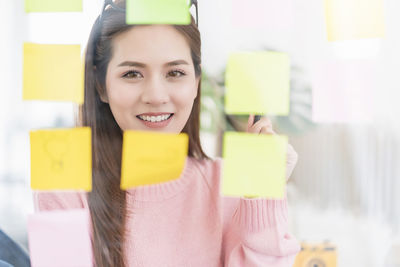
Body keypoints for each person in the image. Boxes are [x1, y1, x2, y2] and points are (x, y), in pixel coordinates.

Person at [33, 0, 300, 266]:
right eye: (132, 74)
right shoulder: (65, 186)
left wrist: (263, 189)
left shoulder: (228, 184)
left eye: (175, 72)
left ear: (196, 83)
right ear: (101, 86)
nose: (156, 96)